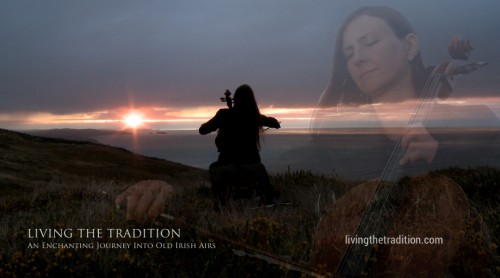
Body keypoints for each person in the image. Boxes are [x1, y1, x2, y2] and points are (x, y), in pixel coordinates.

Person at [310, 6, 497, 277]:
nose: (358, 59)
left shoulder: (468, 122)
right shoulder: (341, 142)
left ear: (410, 46)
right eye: (349, 54)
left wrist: (442, 154)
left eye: (370, 42)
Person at [199, 84, 281, 208]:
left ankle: (219, 202)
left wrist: (227, 113)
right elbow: (274, 123)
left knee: (213, 167)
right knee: (260, 167)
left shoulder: (223, 114)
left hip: (227, 168)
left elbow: (202, 130)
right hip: (253, 168)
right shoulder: (254, 116)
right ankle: (270, 199)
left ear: (235, 99)